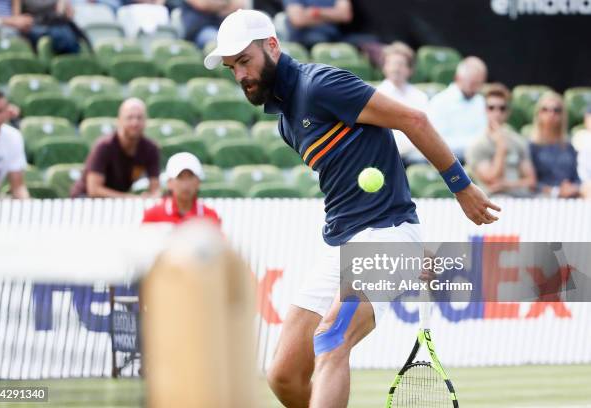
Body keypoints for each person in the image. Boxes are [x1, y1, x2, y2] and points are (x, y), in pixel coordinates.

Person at [204, 9, 499, 408]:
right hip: (343, 242)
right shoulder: (287, 122)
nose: (240, 75)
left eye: (244, 61)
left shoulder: (321, 84)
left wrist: (461, 188)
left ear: (272, 46)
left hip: (388, 232)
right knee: (284, 375)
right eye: (231, 67)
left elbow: (413, 119)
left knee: (331, 339)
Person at [71, 98, 161, 198]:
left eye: (139, 118)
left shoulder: (151, 148)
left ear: (146, 121)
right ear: (119, 121)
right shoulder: (104, 146)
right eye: (129, 118)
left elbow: (155, 188)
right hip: (85, 200)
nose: (135, 123)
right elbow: (94, 190)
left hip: (118, 201)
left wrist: (152, 197)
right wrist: (130, 198)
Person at [465, 83, 536, 197]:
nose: (497, 113)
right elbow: (492, 180)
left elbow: (531, 181)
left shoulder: (518, 141)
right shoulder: (477, 145)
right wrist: (501, 147)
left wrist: (506, 185)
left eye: (502, 108)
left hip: (521, 200)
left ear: (508, 112)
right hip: (492, 201)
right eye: (491, 108)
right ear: (485, 110)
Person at [428, 56, 488, 163]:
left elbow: (484, 134)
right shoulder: (440, 102)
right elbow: (437, 143)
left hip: (479, 160)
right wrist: (474, 144)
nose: (477, 88)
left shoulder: (481, 101)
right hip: (449, 163)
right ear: (458, 78)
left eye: (480, 84)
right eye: (473, 83)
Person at [377, 41, 428, 165]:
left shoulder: (420, 97)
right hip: (385, 157)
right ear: (384, 67)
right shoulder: (376, 95)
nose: (396, 69)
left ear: (410, 70)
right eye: (392, 64)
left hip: (417, 157)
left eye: (400, 64)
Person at [142, 152, 221, 225]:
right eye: (180, 177)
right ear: (169, 183)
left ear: (198, 182)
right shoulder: (152, 215)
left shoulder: (210, 216)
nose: (185, 184)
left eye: (190, 177)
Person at [529, 91, 580, 198]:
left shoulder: (568, 146)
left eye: (556, 110)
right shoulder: (531, 146)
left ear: (562, 115)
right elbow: (530, 182)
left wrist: (573, 187)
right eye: (545, 109)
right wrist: (556, 191)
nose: (551, 114)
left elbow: (576, 177)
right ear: (538, 114)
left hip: (570, 196)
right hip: (541, 198)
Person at [283, 0, 352, 49]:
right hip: (304, 38)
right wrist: (332, 16)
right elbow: (298, 20)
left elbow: (345, 15)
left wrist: (315, 12)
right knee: (318, 39)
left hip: (335, 36)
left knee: (359, 41)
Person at [181, 0, 245, 49]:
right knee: (221, 43)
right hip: (199, 30)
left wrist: (216, 5)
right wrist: (226, 3)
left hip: (222, 27)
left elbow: (239, 5)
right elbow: (203, 4)